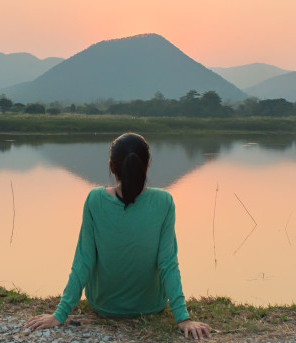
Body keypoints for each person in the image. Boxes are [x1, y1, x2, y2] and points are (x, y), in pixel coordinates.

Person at [25, 132, 211, 340]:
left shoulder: (95, 199)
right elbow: (167, 262)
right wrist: (182, 318)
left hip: (103, 305)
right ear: (147, 164)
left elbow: (84, 260)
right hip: (151, 306)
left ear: (112, 167)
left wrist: (60, 314)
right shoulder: (164, 201)